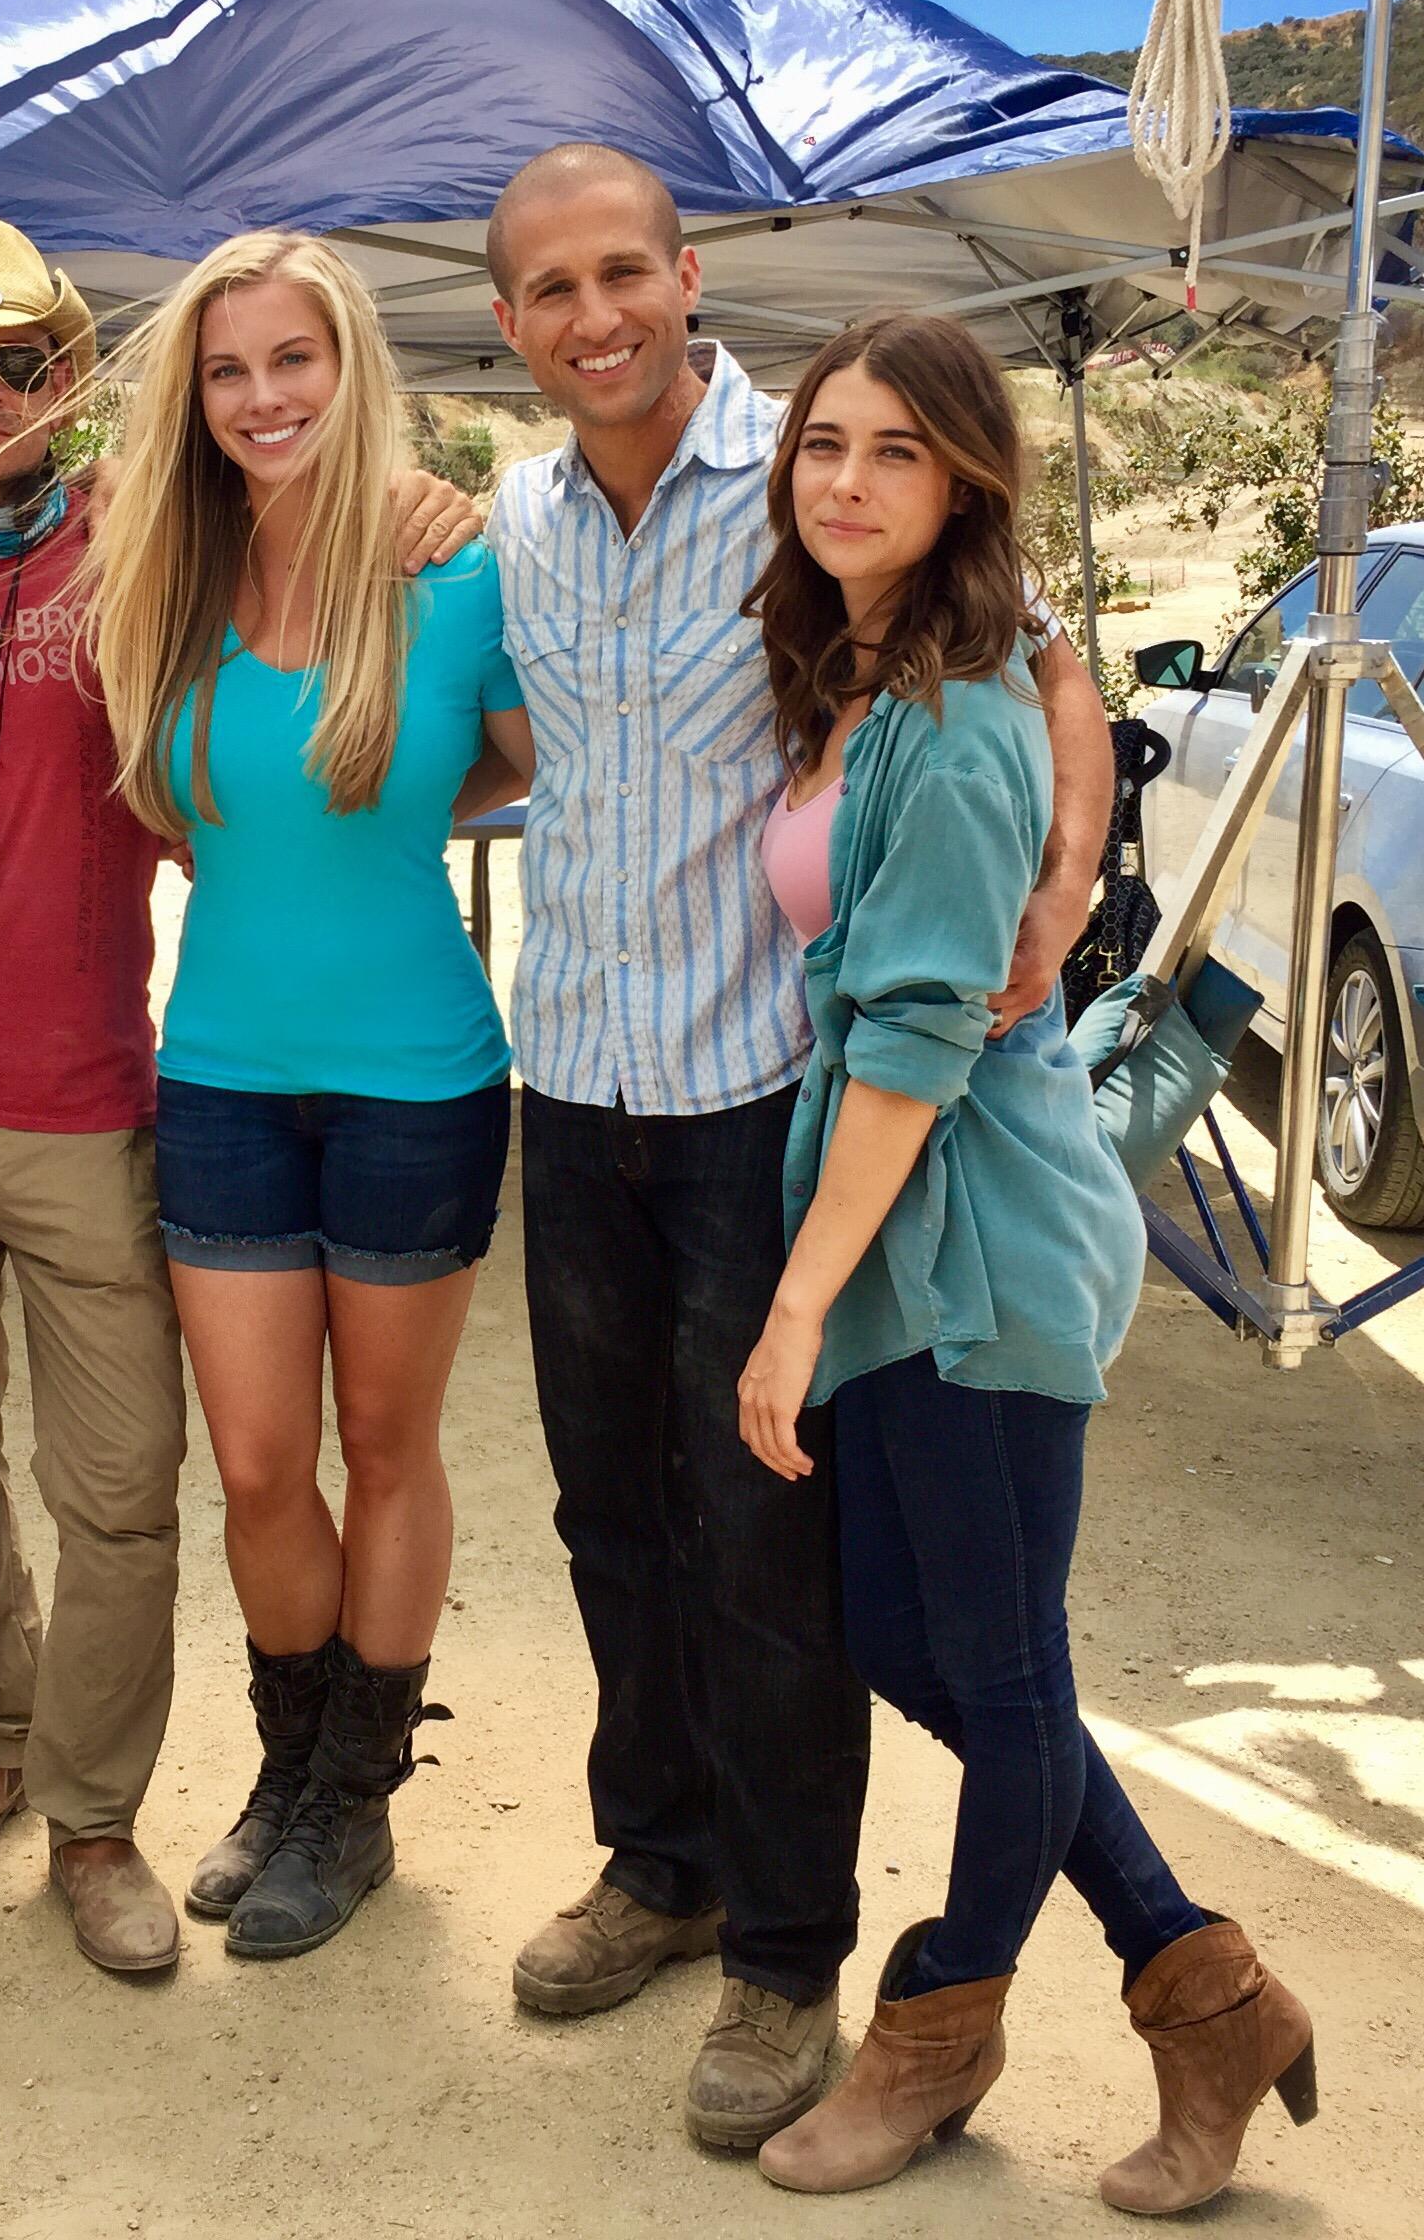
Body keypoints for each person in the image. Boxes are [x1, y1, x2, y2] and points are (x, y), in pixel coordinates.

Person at [480, 143, 1115, 2149]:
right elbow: (515, 738)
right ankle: (656, 1864)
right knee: (609, 1518)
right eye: (550, 289)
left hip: (762, 1091)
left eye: (623, 274)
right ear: (509, 322)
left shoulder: (813, 468)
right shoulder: (508, 520)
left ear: (684, 276)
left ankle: (782, 1949)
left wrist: (1070, 871)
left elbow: (1046, 650)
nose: (595, 316)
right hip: (571, 1085)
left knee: (764, 1544)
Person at [0, 220, 486, 1977]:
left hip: (144, 1082)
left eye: (29, 359)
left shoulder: (201, 554)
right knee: (24, 1468)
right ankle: (37, 1753)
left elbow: (569, 731)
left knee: (180, 1479)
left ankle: (152, 1812)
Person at [730, 312, 1312, 2215]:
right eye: (825, 442)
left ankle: (939, 2032)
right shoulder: (884, 675)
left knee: (992, 1652)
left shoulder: (962, 717)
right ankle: (1205, 1986)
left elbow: (910, 1037)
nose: (845, 479)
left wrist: (795, 1303)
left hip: (973, 1242)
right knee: (926, 1643)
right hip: (913, 1239)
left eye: (895, 452)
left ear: (963, 479)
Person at [79, 230, 532, 1961]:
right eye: (227, 368)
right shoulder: (162, 579)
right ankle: (290, 1769)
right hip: (223, 1077)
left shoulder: (456, 573)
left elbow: (518, 754)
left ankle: (352, 1807)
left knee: (385, 1447)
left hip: (420, 1079)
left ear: (352, 373)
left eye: (295, 360)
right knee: (261, 1462)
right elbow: (190, 813)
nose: (264, 397)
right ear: (193, 398)